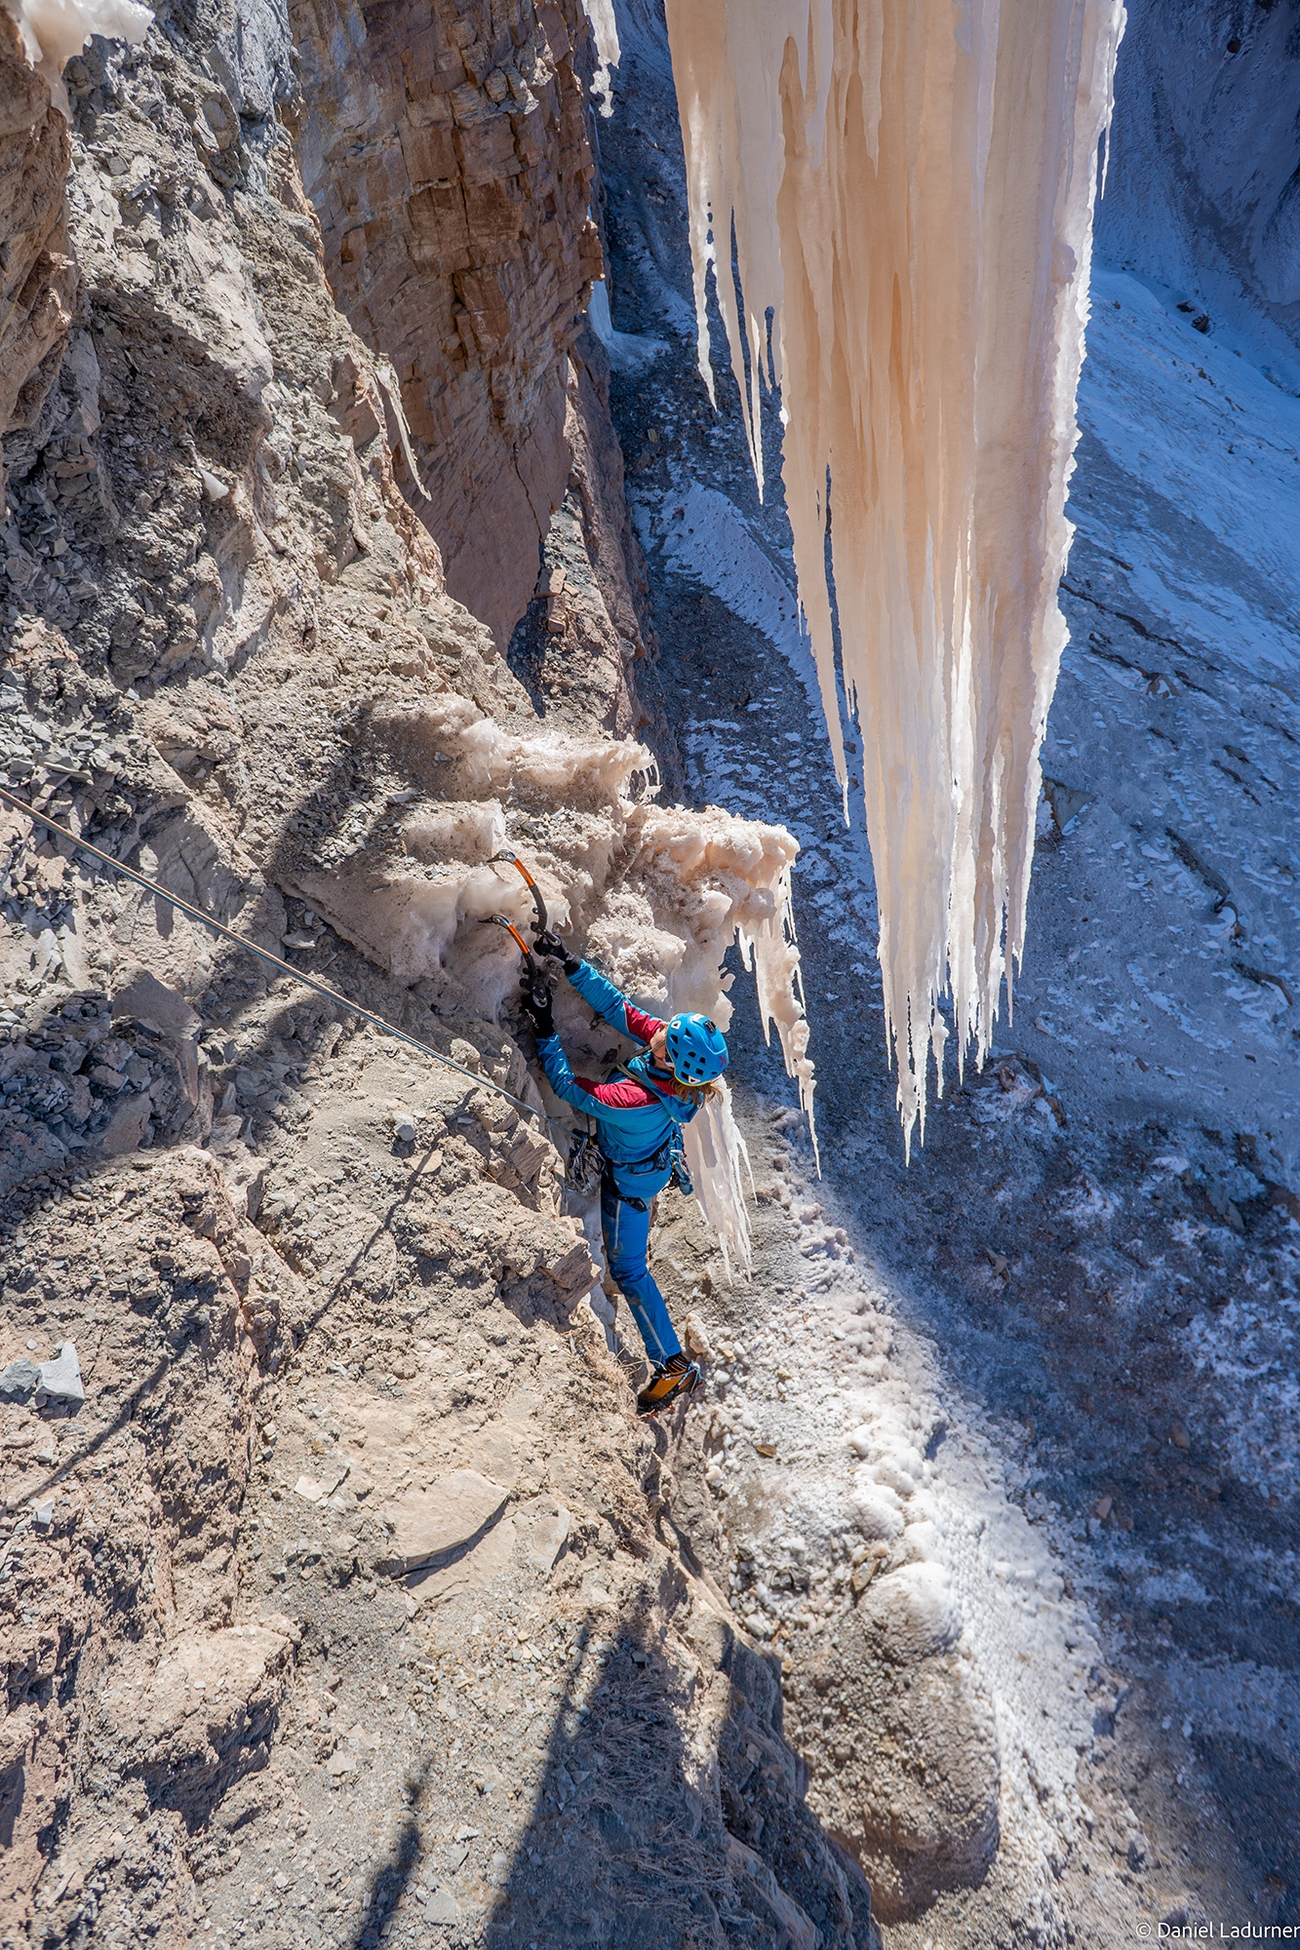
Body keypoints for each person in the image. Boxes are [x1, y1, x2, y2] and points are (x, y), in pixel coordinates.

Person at [520, 930, 728, 1416]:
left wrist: (546, 1027)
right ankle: (670, 1361)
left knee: (629, 1270)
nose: (656, 1029)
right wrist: (571, 965)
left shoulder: (635, 1099)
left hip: (628, 1189)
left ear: (668, 1058)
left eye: (664, 1035)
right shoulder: (671, 1070)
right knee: (633, 1265)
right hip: (646, 1168)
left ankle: (671, 1362)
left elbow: (572, 1090)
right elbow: (619, 1010)